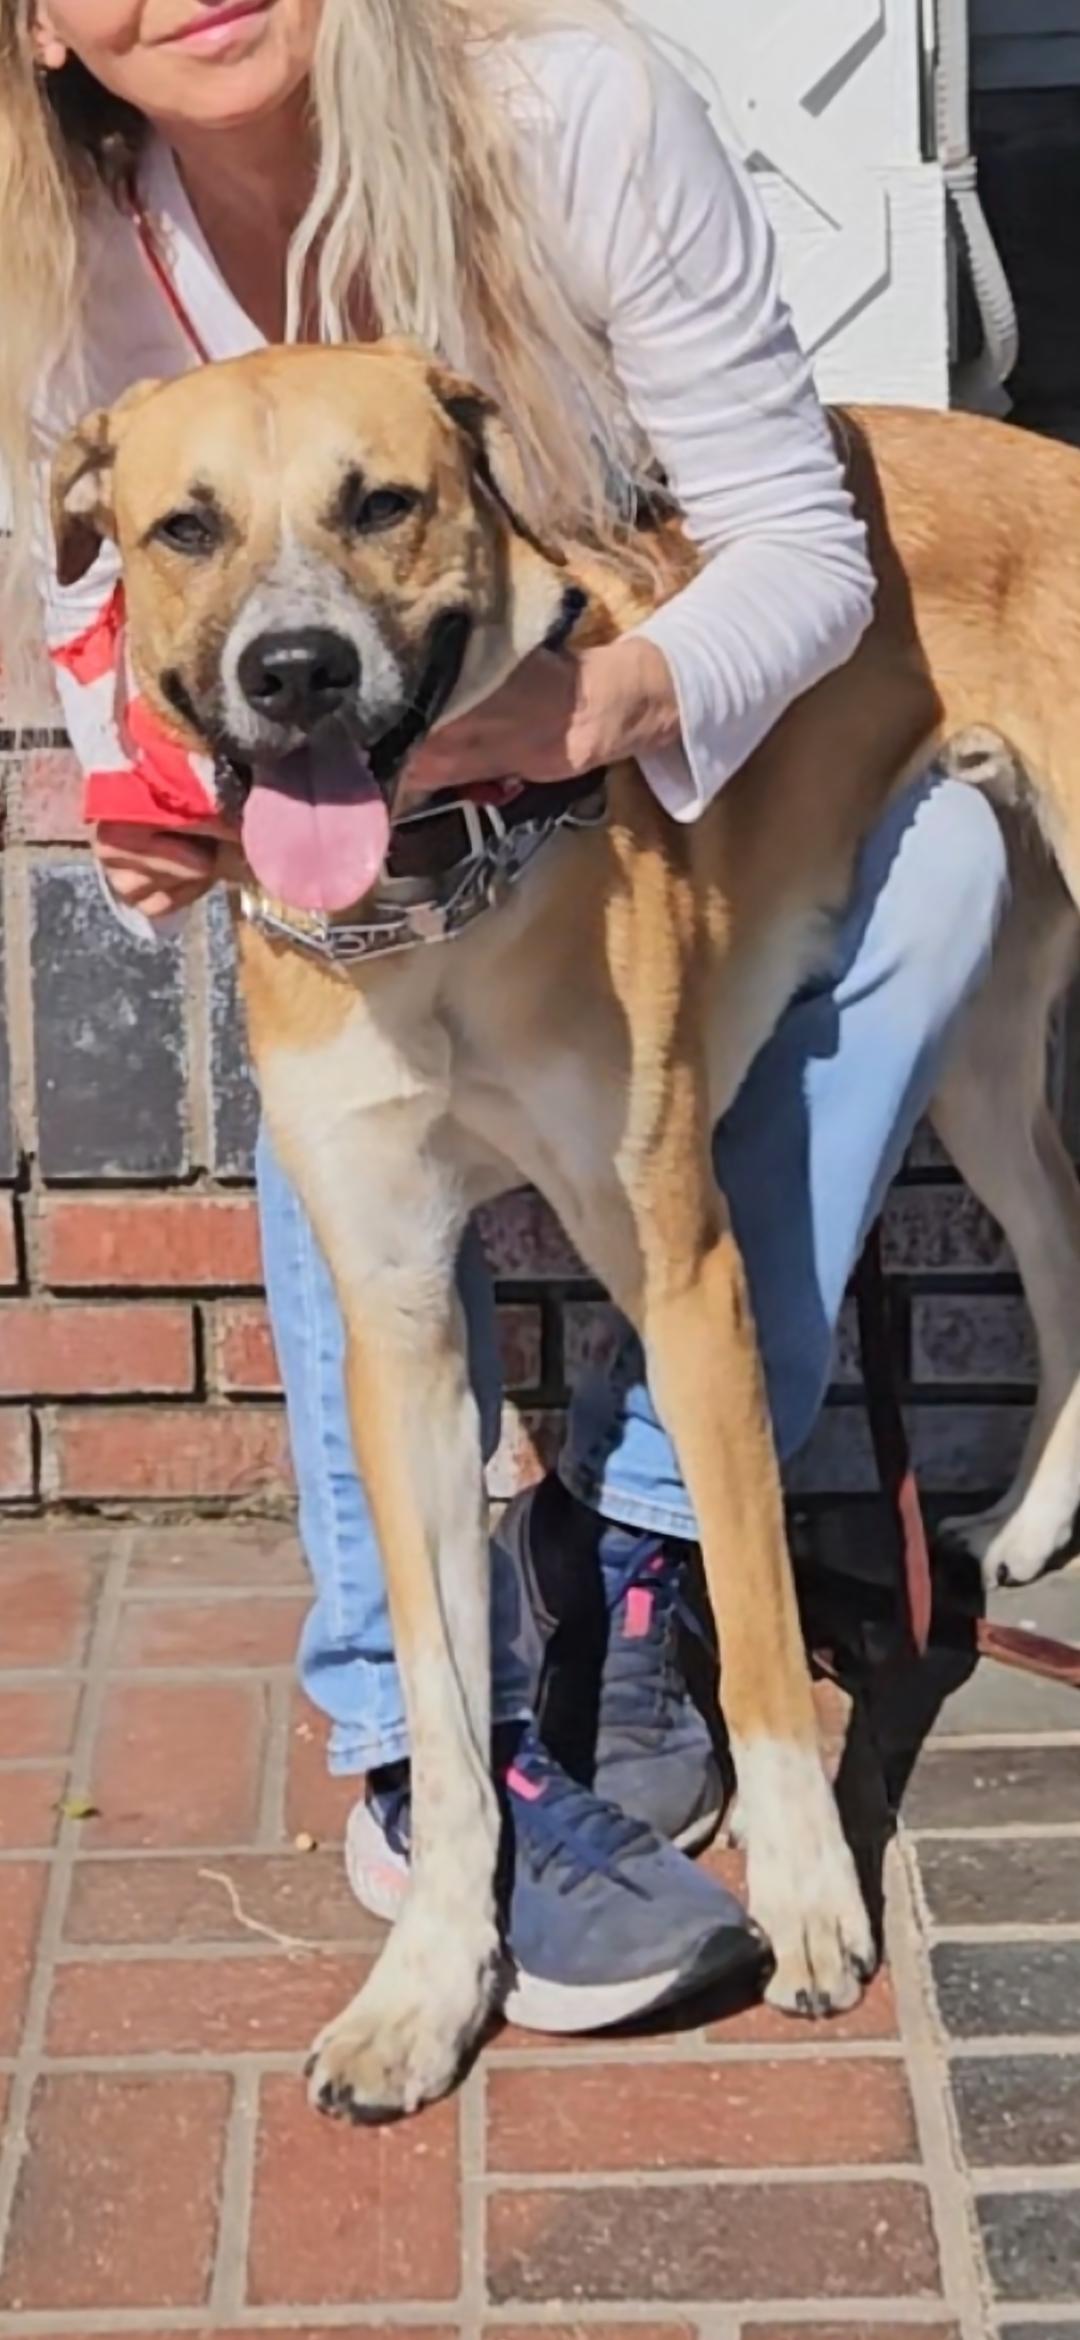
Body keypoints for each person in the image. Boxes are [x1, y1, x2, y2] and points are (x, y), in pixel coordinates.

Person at [3, 0, 1008, 2033]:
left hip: (609, 756)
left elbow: (799, 535)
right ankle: (428, 1782)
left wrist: (596, 708)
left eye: (382, 509)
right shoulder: (57, 250)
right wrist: (135, 778)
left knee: (949, 887)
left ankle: (664, 1589)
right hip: (351, 875)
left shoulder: (571, 103)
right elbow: (98, 603)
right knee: (371, 1199)